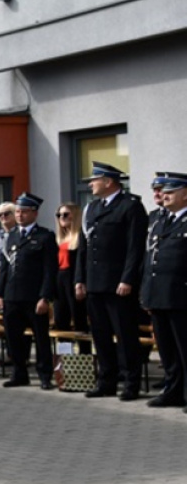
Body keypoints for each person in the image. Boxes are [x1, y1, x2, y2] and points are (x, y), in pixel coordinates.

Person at [74, 162, 149, 401]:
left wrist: (128, 278)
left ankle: (130, 383)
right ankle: (106, 381)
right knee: (100, 335)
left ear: (108, 182)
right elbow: (84, 247)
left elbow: (135, 248)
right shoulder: (92, 208)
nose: (90, 184)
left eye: (94, 180)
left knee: (125, 336)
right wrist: (80, 279)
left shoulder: (130, 206)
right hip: (95, 282)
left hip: (118, 284)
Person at [0, 193, 59, 389]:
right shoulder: (11, 236)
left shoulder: (45, 236)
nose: (20, 215)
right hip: (12, 296)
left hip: (34, 297)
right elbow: (5, 267)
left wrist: (45, 297)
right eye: (17, 212)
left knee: (40, 338)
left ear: (34, 213)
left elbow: (50, 270)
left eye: (24, 212)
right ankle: (19, 373)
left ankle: (45, 375)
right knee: (13, 338)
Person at [142, 173, 185, 407]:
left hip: (180, 295)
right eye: (163, 192)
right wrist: (146, 293)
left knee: (184, 347)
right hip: (158, 294)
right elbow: (150, 259)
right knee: (167, 350)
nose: (164, 195)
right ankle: (173, 391)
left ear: (185, 194)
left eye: (170, 192)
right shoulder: (159, 220)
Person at [53, 202, 90, 353]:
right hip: (59, 279)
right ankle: (65, 356)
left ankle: (84, 354)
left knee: (79, 318)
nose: (61, 218)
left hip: (73, 278)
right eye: (59, 215)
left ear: (75, 216)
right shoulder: (58, 238)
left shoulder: (80, 236)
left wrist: (80, 282)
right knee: (61, 320)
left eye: (65, 214)